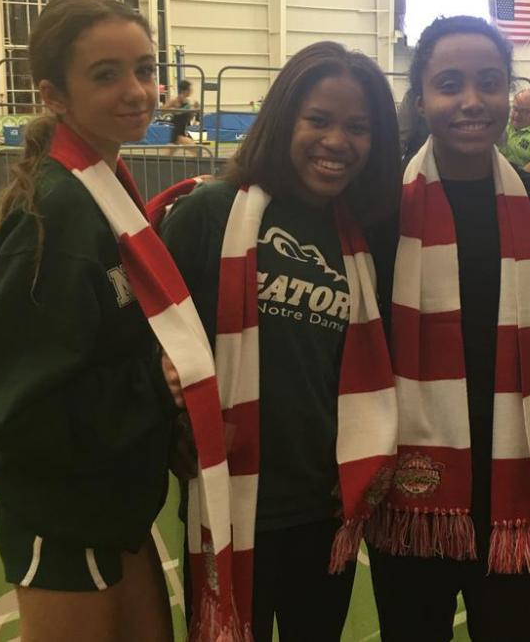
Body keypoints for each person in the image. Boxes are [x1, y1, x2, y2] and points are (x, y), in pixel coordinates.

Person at [0, 0, 176, 642]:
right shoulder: (58, 212)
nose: (137, 91)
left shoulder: (107, 185)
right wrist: (157, 383)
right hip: (66, 516)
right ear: (54, 95)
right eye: (106, 75)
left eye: (145, 69)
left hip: (114, 506)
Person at [159, 41, 401, 642]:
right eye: (318, 120)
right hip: (232, 500)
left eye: (358, 128)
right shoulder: (211, 213)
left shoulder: (368, 236)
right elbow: (150, 340)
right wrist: (170, 412)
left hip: (325, 506)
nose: (337, 141)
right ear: (282, 120)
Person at [365, 15, 530, 641]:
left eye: (489, 83)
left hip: (517, 481)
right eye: (450, 85)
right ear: (421, 98)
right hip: (412, 487)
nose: (472, 101)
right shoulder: (379, 208)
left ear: (509, 93)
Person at [162, 79, 200, 144]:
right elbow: (163, 110)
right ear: (184, 90)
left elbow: (189, 117)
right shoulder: (175, 100)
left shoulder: (187, 102)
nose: (191, 91)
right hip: (178, 134)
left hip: (183, 131)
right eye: (189, 89)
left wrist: (194, 110)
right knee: (195, 148)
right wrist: (174, 110)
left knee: (170, 150)